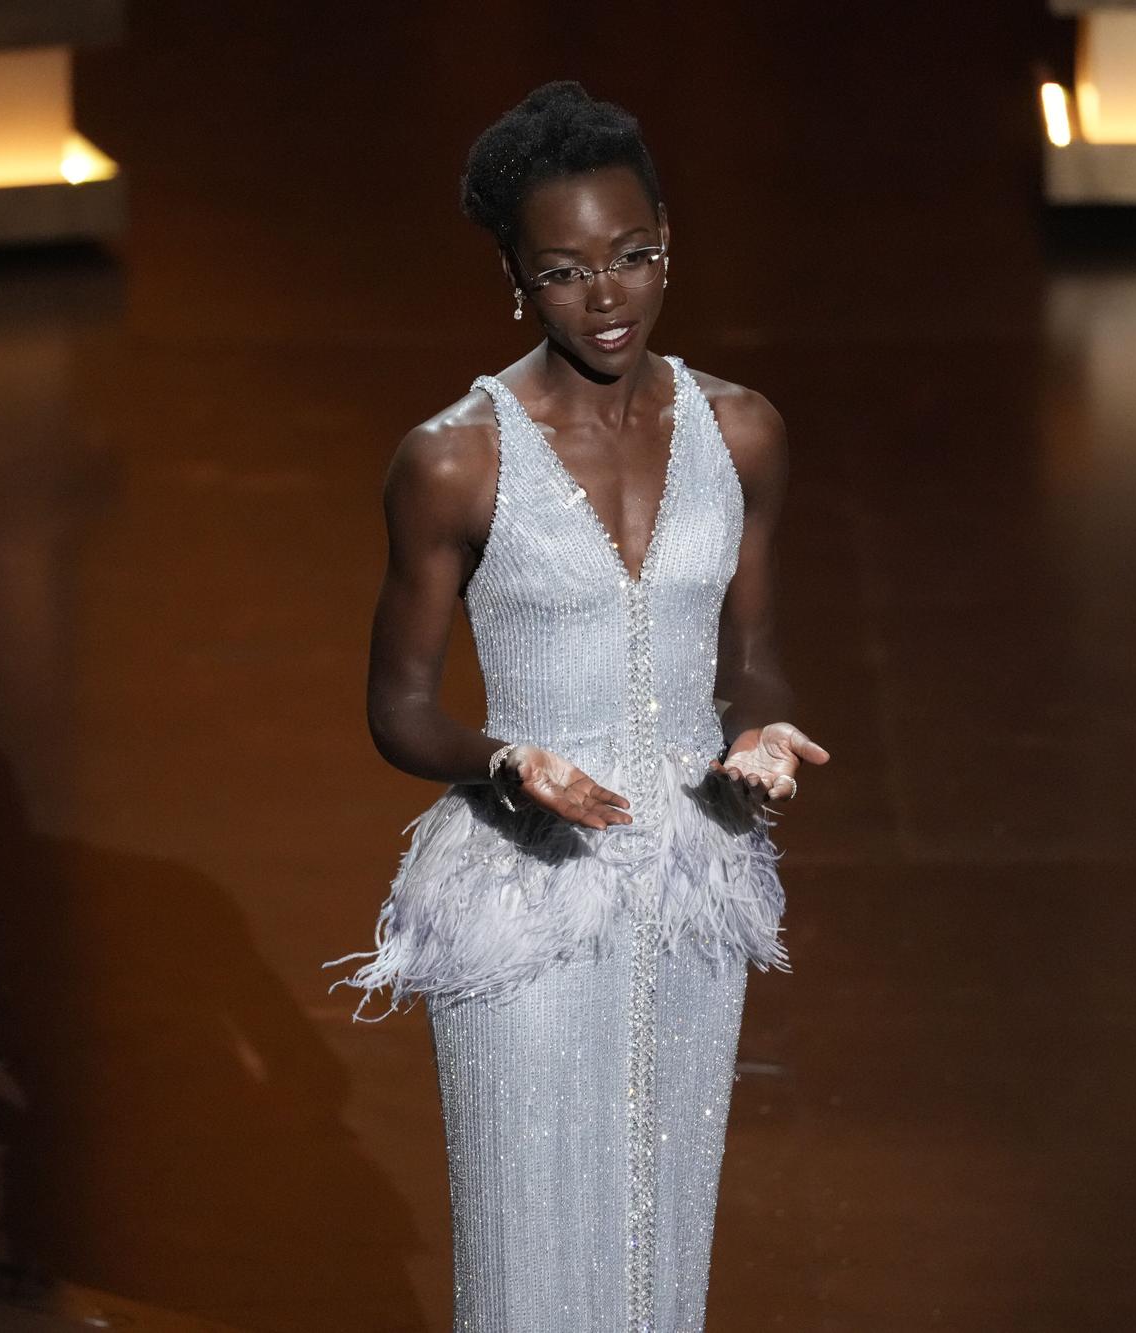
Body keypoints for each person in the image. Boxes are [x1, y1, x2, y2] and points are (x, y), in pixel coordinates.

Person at [323, 79, 830, 1332]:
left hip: (689, 873)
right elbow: (397, 707)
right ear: (511, 273)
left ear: (668, 239)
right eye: (563, 271)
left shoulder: (742, 432)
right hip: (522, 884)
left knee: (662, 1213)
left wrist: (757, 733)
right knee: (529, 1225)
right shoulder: (453, 457)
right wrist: (506, 763)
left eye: (632, 255)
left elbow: (752, 653)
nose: (606, 297)